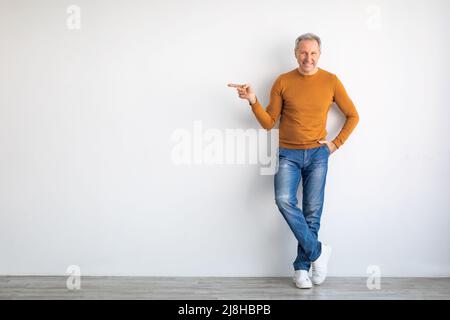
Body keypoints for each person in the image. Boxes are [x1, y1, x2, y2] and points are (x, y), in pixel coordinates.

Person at [228, 33, 359, 289]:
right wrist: (253, 100)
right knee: (283, 200)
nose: (307, 58)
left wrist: (335, 143)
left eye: (313, 53)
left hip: (319, 154)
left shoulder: (331, 81)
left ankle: (301, 268)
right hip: (288, 153)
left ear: (319, 54)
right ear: (295, 53)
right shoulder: (283, 81)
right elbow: (268, 123)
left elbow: (353, 115)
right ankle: (319, 252)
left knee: (312, 212)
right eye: (303, 52)